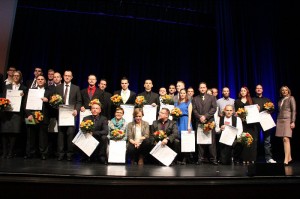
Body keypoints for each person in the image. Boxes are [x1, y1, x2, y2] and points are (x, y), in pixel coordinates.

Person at [54, 70, 82, 161]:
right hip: (61, 114)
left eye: (69, 76)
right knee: (61, 134)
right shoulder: (58, 87)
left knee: (70, 134)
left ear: (71, 77)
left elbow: (79, 101)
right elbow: (54, 100)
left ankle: (70, 154)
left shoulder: (76, 88)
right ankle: (61, 153)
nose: (67, 77)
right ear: (63, 76)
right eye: (65, 75)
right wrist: (56, 106)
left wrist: (76, 110)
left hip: (71, 115)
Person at [24, 75, 51, 160]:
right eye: (38, 79)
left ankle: (43, 154)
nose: (40, 80)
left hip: (44, 116)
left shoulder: (49, 91)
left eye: (42, 79)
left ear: (45, 81)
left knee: (43, 136)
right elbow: (25, 104)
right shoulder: (31, 91)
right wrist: (28, 114)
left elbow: (54, 105)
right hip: (32, 116)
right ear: (36, 81)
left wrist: (48, 101)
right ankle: (30, 153)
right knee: (30, 135)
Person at [0, 71, 27, 159]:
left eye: (17, 76)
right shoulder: (7, 86)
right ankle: (4, 152)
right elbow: (3, 98)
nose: (16, 77)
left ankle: (10, 152)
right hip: (7, 112)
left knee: (14, 133)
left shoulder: (24, 88)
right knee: (4, 132)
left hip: (17, 113)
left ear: (20, 77)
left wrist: (23, 96)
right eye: (14, 75)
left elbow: (25, 102)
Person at [192, 82, 218, 165]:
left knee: (211, 141)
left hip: (209, 121)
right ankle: (200, 158)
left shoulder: (212, 97)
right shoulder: (195, 98)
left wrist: (205, 116)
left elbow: (214, 109)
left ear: (206, 88)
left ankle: (213, 159)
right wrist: (200, 117)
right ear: (199, 89)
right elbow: (194, 110)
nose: (202, 89)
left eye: (204, 87)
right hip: (199, 121)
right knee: (200, 141)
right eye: (201, 87)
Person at [252, 84, 276, 163]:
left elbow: (272, 109)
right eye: (257, 88)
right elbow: (249, 111)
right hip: (256, 122)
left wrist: (270, 110)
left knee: (267, 141)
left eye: (260, 88)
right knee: (255, 141)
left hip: (266, 122)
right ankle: (253, 158)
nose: (259, 89)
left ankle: (268, 158)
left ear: (262, 90)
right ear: (255, 90)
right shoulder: (252, 100)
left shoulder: (267, 99)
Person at [234, 86, 258, 164]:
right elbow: (236, 112)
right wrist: (237, 114)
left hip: (251, 124)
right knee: (244, 140)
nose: (243, 92)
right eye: (241, 91)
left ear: (247, 92)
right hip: (242, 124)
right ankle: (244, 158)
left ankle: (252, 158)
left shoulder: (252, 100)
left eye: (244, 91)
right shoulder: (237, 101)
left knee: (251, 141)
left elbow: (255, 110)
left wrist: (257, 108)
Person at [275, 86, 296, 166]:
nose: (284, 91)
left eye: (286, 90)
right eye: (282, 90)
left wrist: (293, 121)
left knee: (286, 139)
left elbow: (294, 110)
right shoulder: (280, 100)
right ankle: (289, 157)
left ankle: (286, 159)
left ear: (288, 91)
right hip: (280, 120)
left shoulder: (291, 98)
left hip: (287, 119)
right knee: (283, 139)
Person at [174, 88, 193, 164]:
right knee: (178, 140)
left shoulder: (188, 102)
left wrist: (189, 125)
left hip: (185, 121)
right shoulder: (176, 103)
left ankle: (185, 158)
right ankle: (179, 158)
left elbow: (190, 115)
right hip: (178, 121)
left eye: (184, 93)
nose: (182, 94)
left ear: (186, 94)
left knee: (186, 140)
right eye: (181, 93)